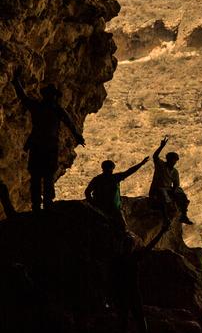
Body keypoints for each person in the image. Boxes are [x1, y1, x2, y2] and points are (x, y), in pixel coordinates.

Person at [10, 68, 85, 211]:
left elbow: (23, 96)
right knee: (46, 176)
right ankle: (45, 204)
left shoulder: (39, 106)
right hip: (49, 147)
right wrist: (78, 137)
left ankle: (39, 205)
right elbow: (70, 124)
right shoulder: (56, 109)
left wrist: (16, 82)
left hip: (39, 146)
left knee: (39, 176)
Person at [108, 219, 170, 333]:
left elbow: (111, 278)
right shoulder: (134, 258)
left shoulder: (118, 260)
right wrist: (161, 232)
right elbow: (150, 247)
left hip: (123, 294)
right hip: (132, 293)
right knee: (139, 321)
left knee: (125, 321)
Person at [85, 157, 149, 229]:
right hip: (113, 210)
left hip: (101, 209)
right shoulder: (114, 178)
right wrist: (141, 164)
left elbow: (87, 192)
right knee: (122, 229)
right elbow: (128, 172)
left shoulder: (97, 179)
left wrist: (93, 204)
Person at [148, 136, 192, 224]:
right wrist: (161, 146)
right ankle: (165, 216)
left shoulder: (175, 172)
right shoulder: (160, 165)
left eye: (175, 160)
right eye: (171, 159)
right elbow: (155, 156)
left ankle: (183, 215)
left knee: (182, 194)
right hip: (157, 189)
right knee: (163, 194)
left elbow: (176, 184)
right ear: (167, 159)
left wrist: (174, 191)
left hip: (167, 189)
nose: (173, 161)